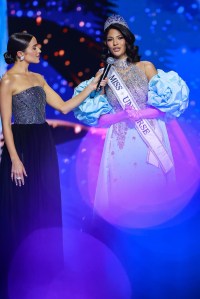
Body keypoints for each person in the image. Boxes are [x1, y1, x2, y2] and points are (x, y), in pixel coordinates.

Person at [0, 32, 104, 299]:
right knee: (22, 204)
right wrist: (13, 158)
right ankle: (18, 270)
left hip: (43, 144)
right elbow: (6, 124)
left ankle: (46, 267)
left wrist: (91, 86)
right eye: (35, 47)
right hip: (21, 146)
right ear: (21, 53)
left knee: (46, 200)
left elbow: (65, 107)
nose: (39, 50)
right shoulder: (8, 80)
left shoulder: (39, 78)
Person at [73, 15, 199, 228]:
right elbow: (100, 118)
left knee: (150, 192)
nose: (115, 43)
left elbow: (165, 109)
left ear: (127, 40)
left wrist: (141, 114)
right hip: (119, 142)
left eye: (119, 38)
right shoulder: (102, 75)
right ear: (106, 43)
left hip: (148, 138)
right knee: (122, 193)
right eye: (110, 39)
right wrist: (121, 115)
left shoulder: (146, 67)